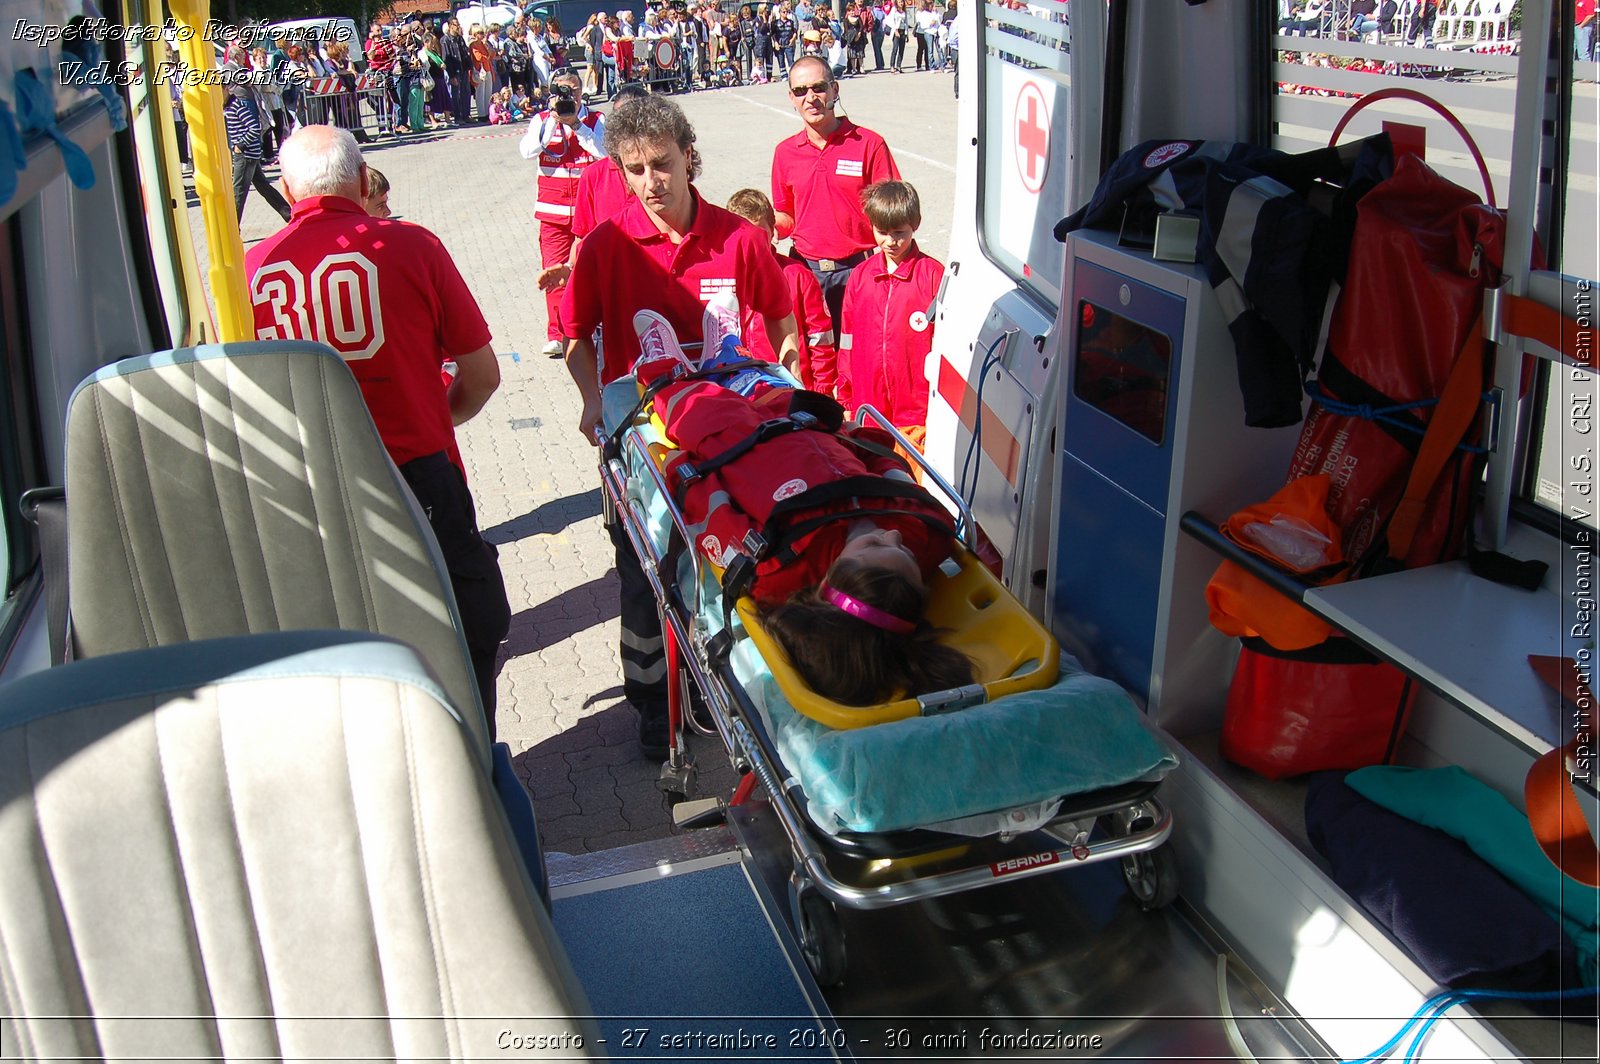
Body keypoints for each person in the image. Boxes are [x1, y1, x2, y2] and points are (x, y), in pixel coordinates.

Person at [243, 126, 511, 728]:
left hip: (306, 495)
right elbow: (482, 375)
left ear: (286, 190)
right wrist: (434, 417)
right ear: (364, 181)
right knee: (465, 634)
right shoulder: (412, 246)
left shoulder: (248, 269)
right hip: (417, 480)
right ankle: (472, 765)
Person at [559, 95, 799, 756]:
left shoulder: (739, 239)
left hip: (727, 434)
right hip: (640, 438)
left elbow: (780, 318)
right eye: (633, 169)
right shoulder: (607, 245)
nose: (649, 182)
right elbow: (574, 334)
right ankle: (653, 708)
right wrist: (587, 398)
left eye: (661, 164)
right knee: (643, 575)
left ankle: (736, 694)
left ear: (689, 156)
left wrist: (785, 370)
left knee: (733, 563)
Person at [630, 329, 974, 707]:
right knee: (756, 381)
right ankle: (724, 352)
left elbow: (709, 512)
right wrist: (851, 435)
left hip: (728, 440)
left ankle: (664, 365)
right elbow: (891, 472)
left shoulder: (775, 567)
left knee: (685, 400)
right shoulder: (925, 531)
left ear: (831, 579)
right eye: (905, 553)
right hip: (803, 422)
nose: (892, 535)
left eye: (875, 544)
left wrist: (676, 463)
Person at [770, 54, 902, 335]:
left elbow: (893, 211)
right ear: (791, 98)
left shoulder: (869, 144)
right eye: (800, 91)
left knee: (860, 354)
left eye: (819, 87)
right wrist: (760, 227)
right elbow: (786, 217)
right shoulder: (784, 153)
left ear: (835, 89)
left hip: (859, 272)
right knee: (814, 360)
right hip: (806, 273)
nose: (810, 97)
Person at [535, 82, 650, 316]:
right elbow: (582, 240)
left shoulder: (664, 174)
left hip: (656, 289)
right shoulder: (594, 176)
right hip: (610, 295)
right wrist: (569, 268)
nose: (625, 128)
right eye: (619, 119)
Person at [837, 180, 943, 434]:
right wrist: (845, 395)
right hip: (869, 408)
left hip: (916, 413)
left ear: (914, 225)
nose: (890, 241)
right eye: (882, 232)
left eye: (899, 233)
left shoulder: (933, 276)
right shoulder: (861, 276)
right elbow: (847, 341)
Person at [521, 69, 606, 359]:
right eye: (561, 89)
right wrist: (553, 122)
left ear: (582, 92)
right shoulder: (541, 120)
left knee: (589, 270)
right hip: (552, 210)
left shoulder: (596, 120)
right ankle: (558, 334)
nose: (567, 95)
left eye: (572, 89)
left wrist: (577, 125)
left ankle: (592, 327)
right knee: (554, 272)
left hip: (588, 210)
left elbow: (605, 152)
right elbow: (528, 150)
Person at [726, 187, 836, 391]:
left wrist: (823, 391)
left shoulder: (798, 276)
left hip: (793, 390)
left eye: (758, 233)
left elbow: (821, 339)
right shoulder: (724, 280)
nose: (752, 242)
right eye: (744, 234)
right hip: (743, 390)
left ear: (772, 229)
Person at [223, 76, 291, 223]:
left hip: (246, 154)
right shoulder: (229, 106)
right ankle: (289, 214)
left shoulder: (236, 106)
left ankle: (234, 227)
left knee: (239, 191)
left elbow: (254, 127)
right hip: (249, 153)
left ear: (227, 90)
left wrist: (240, 145)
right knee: (263, 187)